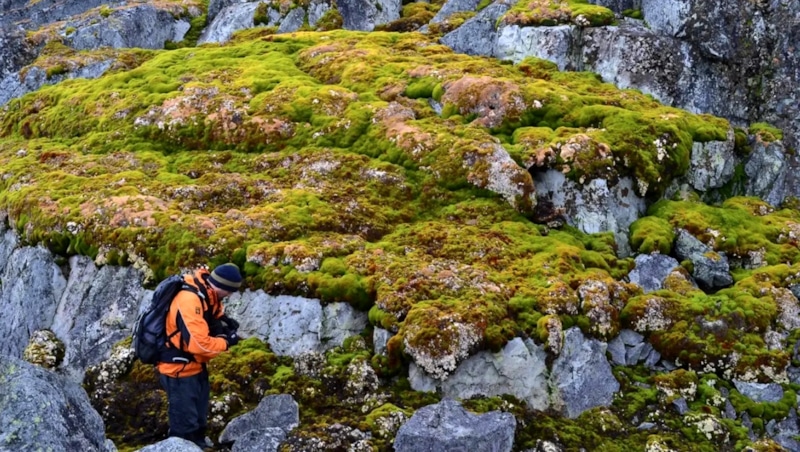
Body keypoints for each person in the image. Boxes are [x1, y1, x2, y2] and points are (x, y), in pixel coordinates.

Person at [156, 263, 243, 449]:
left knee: (199, 420)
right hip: (178, 370)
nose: (230, 296)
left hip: (195, 366)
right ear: (224, 287)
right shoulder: (190, 300)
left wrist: (223, 325)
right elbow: (199, 345)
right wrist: (226, 342)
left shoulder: (207, 294)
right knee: (184, 425)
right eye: (230, 292)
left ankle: (198, 444)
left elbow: (213, 316)